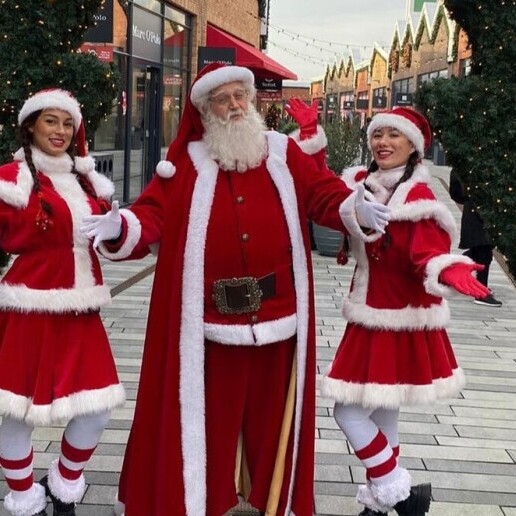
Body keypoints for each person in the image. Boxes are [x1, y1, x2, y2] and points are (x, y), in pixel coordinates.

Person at [80, 62, 390, 516]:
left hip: (280, 316)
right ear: (205, 110)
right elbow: (152, 214)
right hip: (207, 322)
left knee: (271, 422)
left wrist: (356, 208)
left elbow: (324, 195)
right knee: (208, 422)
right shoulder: (184, 162)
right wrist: (120, 225)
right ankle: (204, 499)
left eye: (240, 96)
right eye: (222, 99)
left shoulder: (284, 153)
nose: (234, 106)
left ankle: (270, 498)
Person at [320, 107, 490, 516]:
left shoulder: (418, 199)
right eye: (378, 135)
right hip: (370, 313)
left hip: (397, 318)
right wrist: (311, 137)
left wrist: (449, 270)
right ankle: (382, 504)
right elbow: (321, 191)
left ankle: (400, 492)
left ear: (414, 146)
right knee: (382, 411)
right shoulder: (362, 184)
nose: (383, 143)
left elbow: (427, 253)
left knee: (347, 409)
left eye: (395, 135)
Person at [0, 89, 126, 516]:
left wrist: (117, 229)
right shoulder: (10, 177)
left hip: (79, 311)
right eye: (50, 121)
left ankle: (63, 484)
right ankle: (23, 497)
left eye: (67, 123)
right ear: (31, 125)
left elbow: (111, 246)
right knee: (18, 411)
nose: (60, 131)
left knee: (97, 408)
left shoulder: (88, 180)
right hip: (28, 309)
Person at [449, 168, 502, 306]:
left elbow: (457, 194)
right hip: (477, 213)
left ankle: (452, 269)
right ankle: (481, 294)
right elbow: (457, 192)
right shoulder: (471, 164)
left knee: (479, 251)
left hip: (480, 212)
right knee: (483, 253)